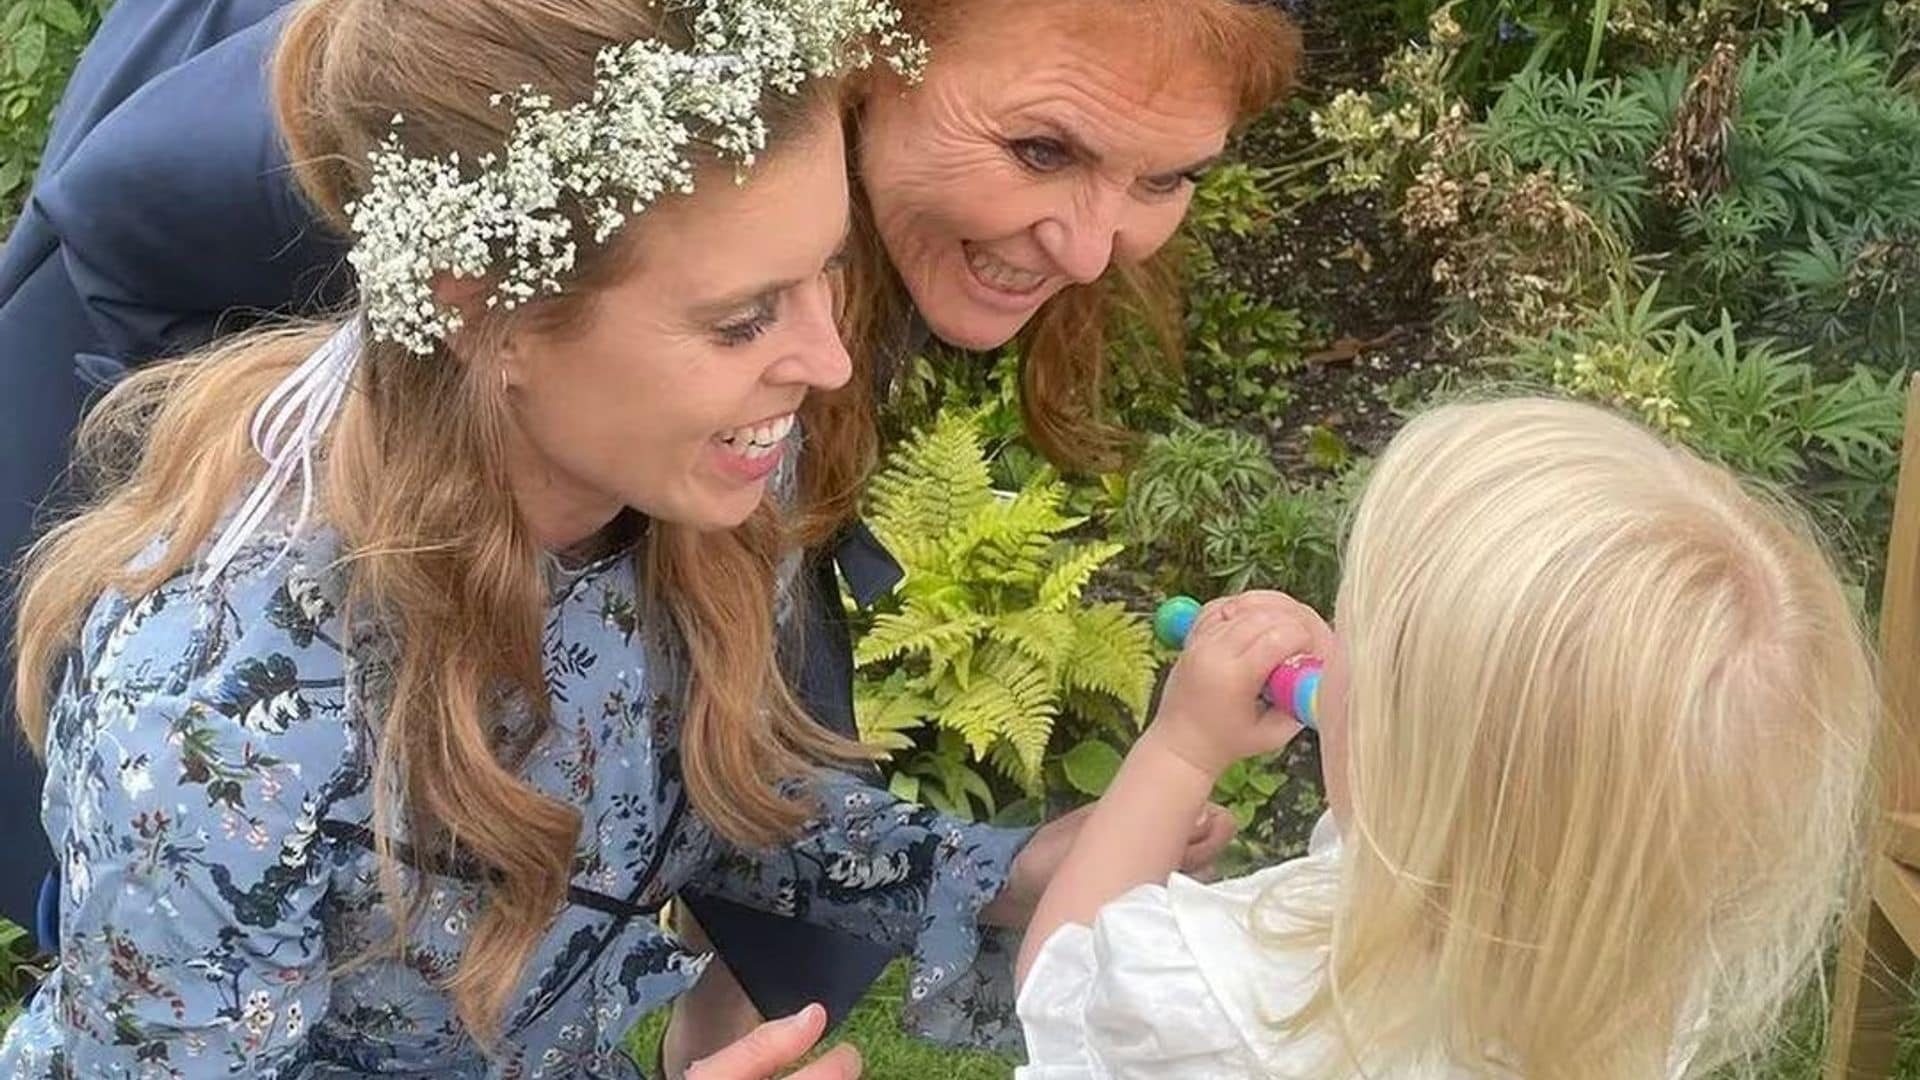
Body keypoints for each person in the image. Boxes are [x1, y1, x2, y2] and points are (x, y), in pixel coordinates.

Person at [0, 0, 1297, 1065]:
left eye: (828, 276)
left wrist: (997, 876)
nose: (835, 361)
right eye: (744, 318)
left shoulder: (668, 501)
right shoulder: (228, 714)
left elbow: (715, 808)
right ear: (487, 310)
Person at [1013, 397, 1878, 1078]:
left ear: (1414, 756)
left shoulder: (1225, 993)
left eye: (1354, 633)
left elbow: (1059, 981)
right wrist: (1379, 699)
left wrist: (1182, 749)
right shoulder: (1640, 962)